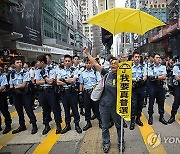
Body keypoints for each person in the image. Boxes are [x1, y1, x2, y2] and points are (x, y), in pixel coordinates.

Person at [83, 47, 125, 153]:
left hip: (117, 106)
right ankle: (106, 142)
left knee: (119, 126)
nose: (113, 65)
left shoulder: (124, 77)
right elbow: (95, 64)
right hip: (104, 105)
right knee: (105, 126)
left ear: (119, 65)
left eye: (115, 63)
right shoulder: (106, 74)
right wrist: (88, 53)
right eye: (112, 63)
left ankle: (121, 142)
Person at [9, 58, 38, 134]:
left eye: (20, 62)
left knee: (29, 110)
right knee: (19, 111)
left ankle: (34, 125)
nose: (19, 63)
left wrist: (14, 87)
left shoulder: (25, 72)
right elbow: (11, 84)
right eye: (17, 62)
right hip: (16, 94)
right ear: (14, 64)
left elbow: (23, 84)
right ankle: (22, 125)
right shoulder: (12, 73)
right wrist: (14, 88)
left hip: (24, 94)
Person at [35, 55, 62, 135]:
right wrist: (46, 80)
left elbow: (51, 82)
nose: (37, 64)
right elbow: (37, 82)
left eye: (38, 62)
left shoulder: (52, 69)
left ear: (42, 62)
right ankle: (46, 125)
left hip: (51, 92)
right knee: (45, 109)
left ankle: (58, 125)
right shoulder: (37, 70)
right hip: (42, 92)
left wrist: (44, 76)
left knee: (55, 108)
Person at [56, 54, 82, 134]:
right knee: (66, 109)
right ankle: (67, 125)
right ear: (63, 62)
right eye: (66, 61)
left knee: (74, 109)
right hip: (64, 93)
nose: (67, 62)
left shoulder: (75, 70)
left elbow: (73, 80)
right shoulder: (60, 71)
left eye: (69, 61)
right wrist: (67, 81)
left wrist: (63, 80)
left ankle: (77, 124)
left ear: (71, 62)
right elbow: (57, 82)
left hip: (72, 92)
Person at [79, 57, 102, 131]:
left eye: (89, 63)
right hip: (86, 93)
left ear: (92, 64)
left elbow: (99, 82)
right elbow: (81, 84)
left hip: (94, 92)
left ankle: (100, 121)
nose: (88, 65)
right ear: (85, 64)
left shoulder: (96, 72)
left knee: (97, 108)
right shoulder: (82, 73)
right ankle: (88, 122)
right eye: (87, 63)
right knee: (87, 108)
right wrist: (80, 93)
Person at [147, 53, 168, 125]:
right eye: (157, 57)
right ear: (153, 59)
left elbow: (164, 76)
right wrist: (159, 77)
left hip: (160, 86)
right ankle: (150, 116)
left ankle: (161, 116)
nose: (159, 59)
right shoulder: (150, 67)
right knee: (151, 102)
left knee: (161, 101)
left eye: (159, 57)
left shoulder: (163, 67)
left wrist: (156, 77)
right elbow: (150, 77)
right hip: (152, 86)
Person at [130, 52, 147, 130]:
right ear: (133, 58)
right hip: (133, 88)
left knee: (140, 104)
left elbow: (145, 76)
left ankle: (138, 119)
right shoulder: (130, 67)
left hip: (141, 88)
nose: (137, 58)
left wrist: (142, 80)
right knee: (134, 105)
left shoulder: (143, 67)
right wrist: (135, 80)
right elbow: (128, 76)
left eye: (138, 57)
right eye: (135, 57)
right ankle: (132, 120)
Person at [0, 65, 12, 134]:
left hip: (2, 95)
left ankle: (8, 125)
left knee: (4, 110)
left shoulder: (2, 76)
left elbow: (3, 86)